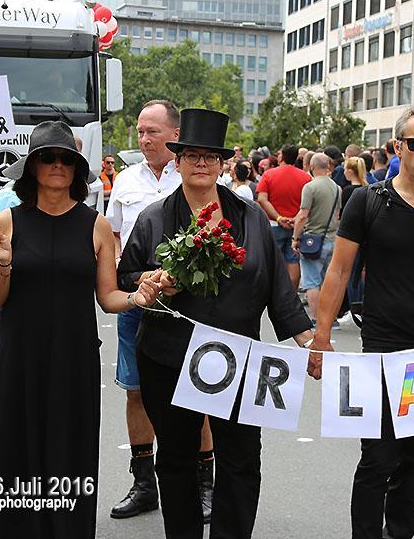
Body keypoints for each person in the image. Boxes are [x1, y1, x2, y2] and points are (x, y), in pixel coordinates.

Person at [118, 108, 315, 539]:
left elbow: (278, 289)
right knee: (176, 459)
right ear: (179, 160)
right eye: (192, 155)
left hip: (239, 360)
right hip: (169, 358)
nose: (202, 163)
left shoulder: (251, 219)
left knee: (242, 458)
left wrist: (309, 340)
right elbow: (126, 277)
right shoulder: (154, 217)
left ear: (223, 163)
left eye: (210, 156)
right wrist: (149, 281)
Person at [0, 121, 159, 539]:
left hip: (74, 357)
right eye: (48, 158)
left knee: (70, 450)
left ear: (77, 170)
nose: (57, 165)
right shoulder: (5, 222)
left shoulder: (95, 225)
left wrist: (137, 298)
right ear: (32, 168)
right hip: (19, 357)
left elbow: (108, 296)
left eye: (66, 159)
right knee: (18, 448)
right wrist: (4, 261)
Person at [308, 106, 414, 539]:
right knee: (377, 458)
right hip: (380, 349)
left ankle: (399, 531)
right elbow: (339, 272)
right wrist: (321, 337)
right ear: (398, 146)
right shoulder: (368, 200)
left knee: (413, 458)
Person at [105, 100, 216, 521]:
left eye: (151, 131)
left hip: (191, 306)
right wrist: (133, 281)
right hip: (140, 299)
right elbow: (115, 237)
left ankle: (204, 485)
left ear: (175, 134)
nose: (143, 138)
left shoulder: (194, 174)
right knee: (135, 391)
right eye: (139, 131)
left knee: (201, 391)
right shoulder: (125, 180)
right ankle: (143, 482)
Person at [256, 144, 312, 290]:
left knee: (271, 262)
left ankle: (273, 294)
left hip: (275, 224)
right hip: (296, 226)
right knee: (294, 261)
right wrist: (295, 218)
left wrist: (279, 218)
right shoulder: (305, 177)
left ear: (282, 156)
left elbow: (262, 199)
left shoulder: (269, 175)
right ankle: (291, 295)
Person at [292, 153, 340, 322]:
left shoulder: (310, 187)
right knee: (328, 282)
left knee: (311, 282)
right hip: (332, 239)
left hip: (313, 239)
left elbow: (303, 215)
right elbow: (337, 214)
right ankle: (330, 319)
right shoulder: (336, 187)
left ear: (311, 167)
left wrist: (295, 237)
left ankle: (318, 319)